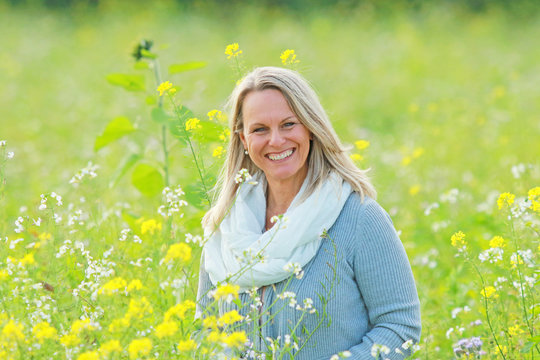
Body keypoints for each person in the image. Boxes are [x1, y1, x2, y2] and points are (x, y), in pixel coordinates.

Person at [197, 66, 421, 359]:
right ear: (244, 141)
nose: (276, 140)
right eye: (259, 129)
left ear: (311, 128)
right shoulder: (224, 226)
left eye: (289, 124)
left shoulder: (359, 218)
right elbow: (204, 330)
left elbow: (399, 328)